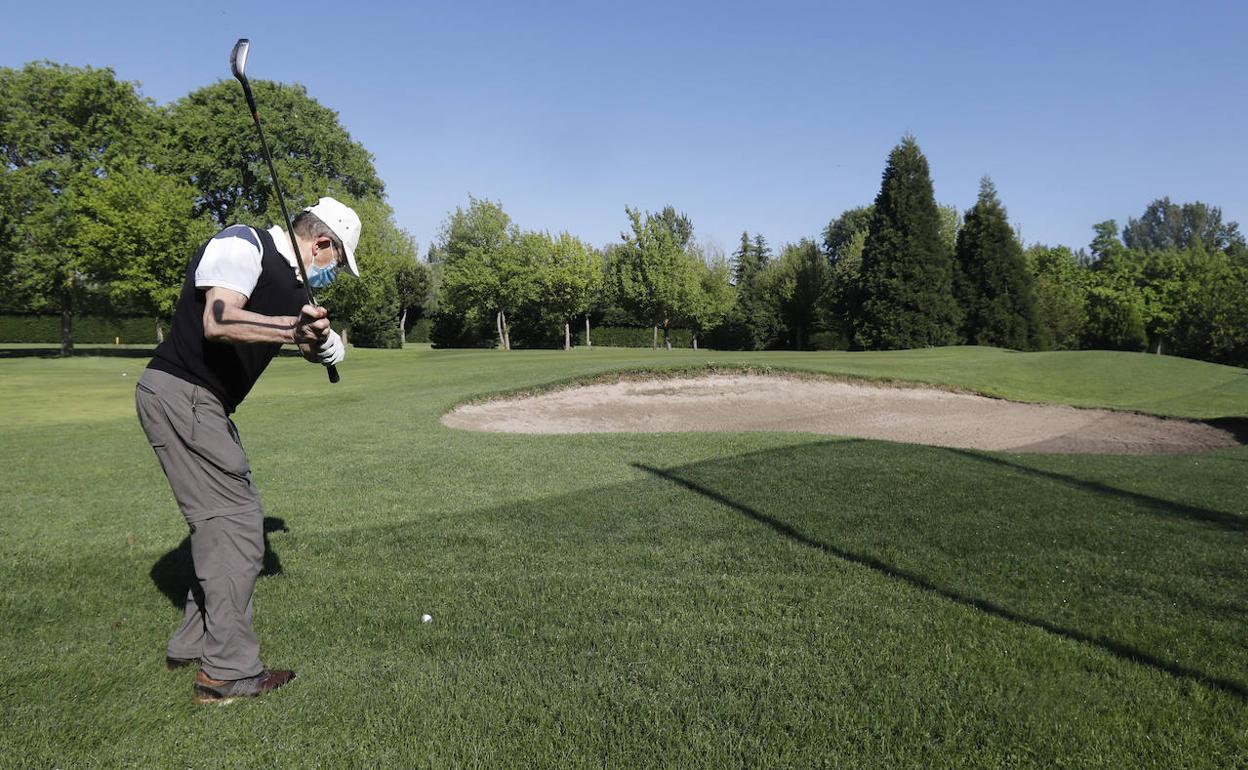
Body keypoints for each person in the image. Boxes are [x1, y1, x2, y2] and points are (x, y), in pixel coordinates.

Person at [135, 197, 360, 704]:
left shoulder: (289, 281)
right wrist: (292, 329)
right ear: (322, 244)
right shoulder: (243, 241)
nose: (336, 273)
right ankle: (228, 673)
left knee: (219, 527)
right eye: (339, 263)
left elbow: (292, 332)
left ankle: (192, 645)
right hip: (184, 393)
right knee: (238, 525)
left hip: (198, 402)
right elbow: (219, 319)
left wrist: (321, 346)